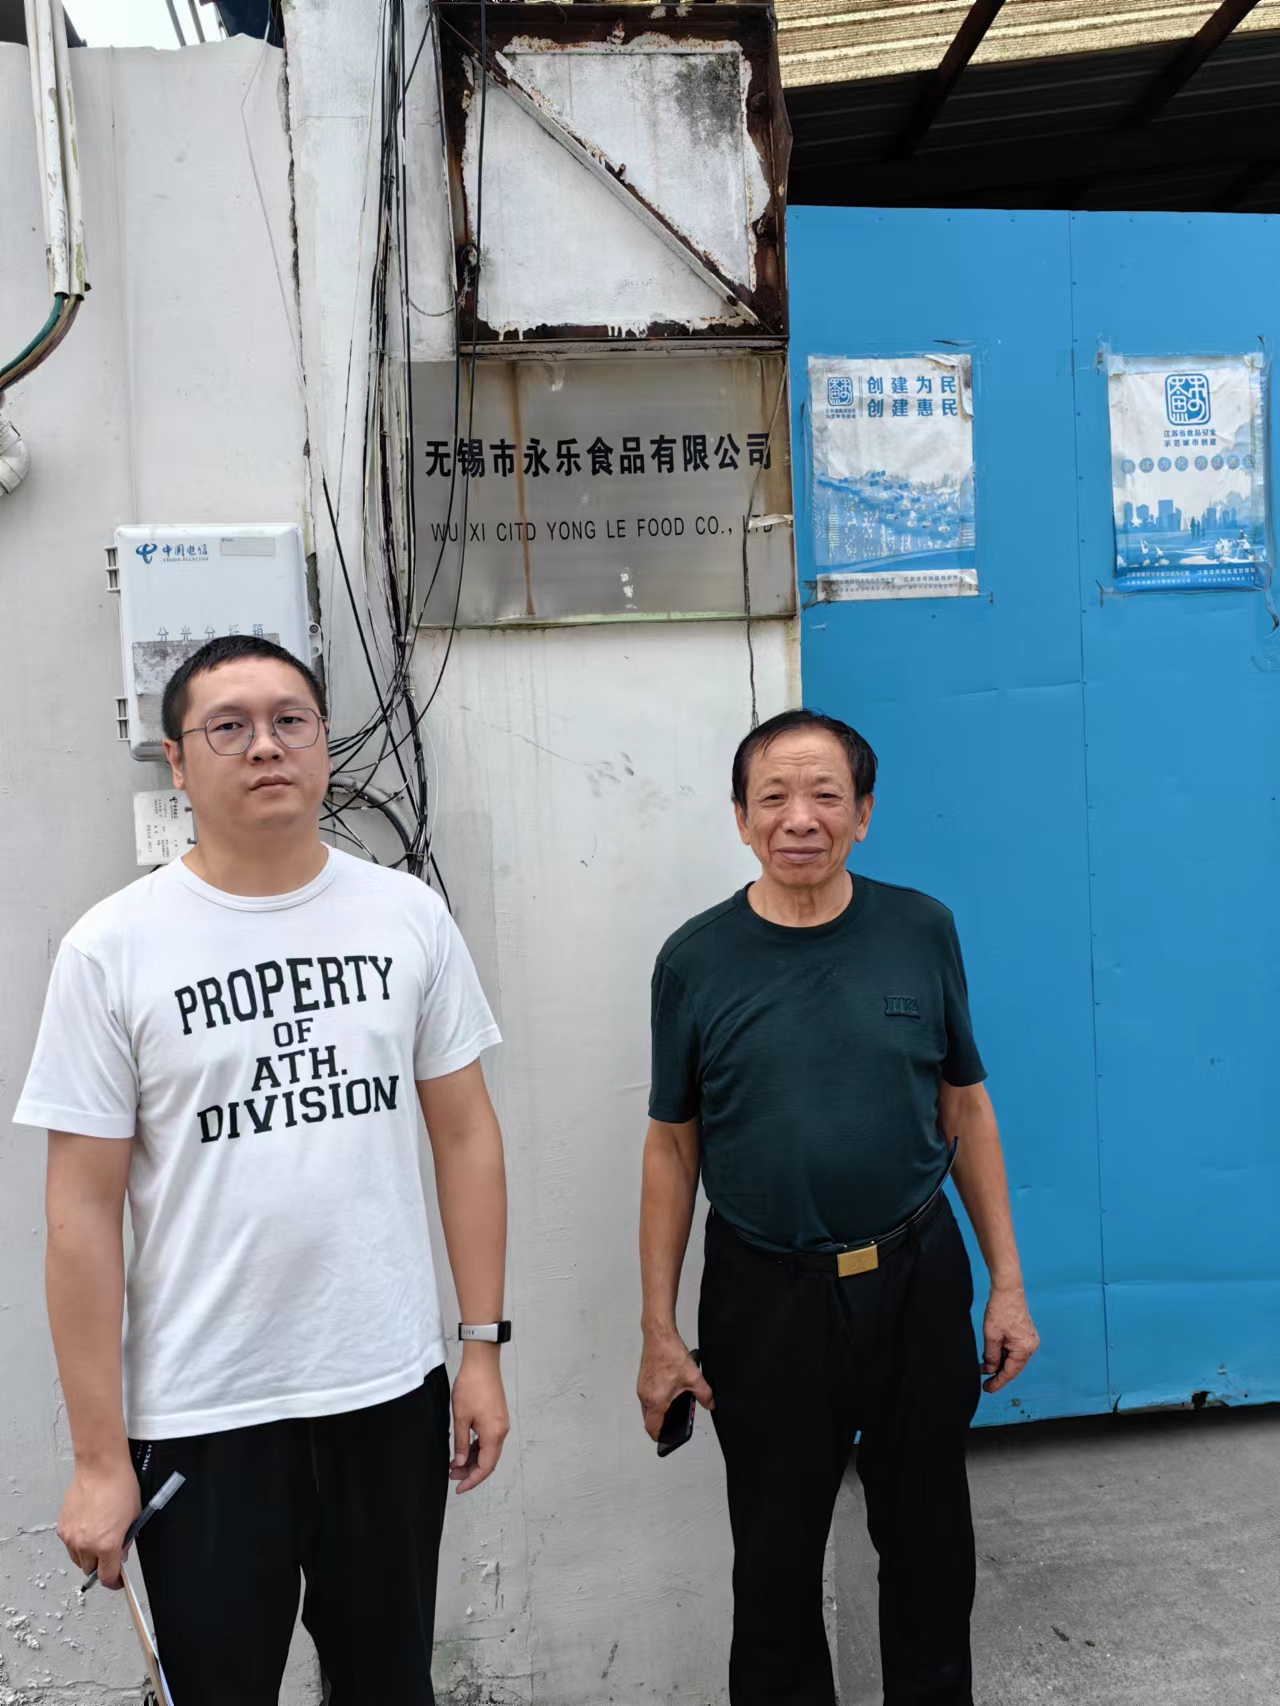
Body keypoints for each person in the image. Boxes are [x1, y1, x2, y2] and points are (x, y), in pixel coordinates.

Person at [16, 635, 511, 1706]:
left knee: (389, 1683)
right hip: (205, 1407)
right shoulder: (113, 948)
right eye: (228, 726)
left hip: (385, 1386)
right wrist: (99, 1458)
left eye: (291, 720)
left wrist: (480, 1347)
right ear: (176, 760)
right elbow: (79, 1213)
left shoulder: (406, 915)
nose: (265, 746)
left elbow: (467, 1134)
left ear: (324, 743)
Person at [636, 708, 1039, 1706]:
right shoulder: (694, 961)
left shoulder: (919, 930)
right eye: (772, 796)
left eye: (825, 795)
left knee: (929, 1550)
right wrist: (658, 1329)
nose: (799, 817)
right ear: (740, 818)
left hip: (914, 1277)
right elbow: (672, 1146)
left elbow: (964, 1105)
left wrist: (1007, 1284)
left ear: (862, 813)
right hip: (764, 1294)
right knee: (773, 1571)